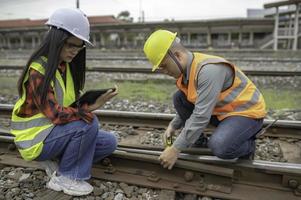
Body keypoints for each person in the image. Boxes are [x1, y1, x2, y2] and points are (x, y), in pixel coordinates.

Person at [10, 8, 118, 196]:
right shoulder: (39, 70)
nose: (74, 51)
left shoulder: (65, 67)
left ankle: (59, 164)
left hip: (54, 134)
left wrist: (92, 105)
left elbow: (68, 108)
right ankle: (67, 176)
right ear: (56, 39)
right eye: (70, 45)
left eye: (79, 46)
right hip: (35, 141)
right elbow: (57, 115)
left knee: (109, 142)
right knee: (90, 122)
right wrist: (88, 112)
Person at [143, 29, 266, 170]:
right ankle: (198, 140)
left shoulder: (208, 71)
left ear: (177, 56)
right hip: (222, 111)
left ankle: (248, 146)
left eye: (164, 66)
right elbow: (195, 101)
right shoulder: (186, 73)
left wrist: (175, 149)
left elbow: (201, 115)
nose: (164, 71)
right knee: (179, 98)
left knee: (220, 146)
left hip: (246, 113)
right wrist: (173, 125)